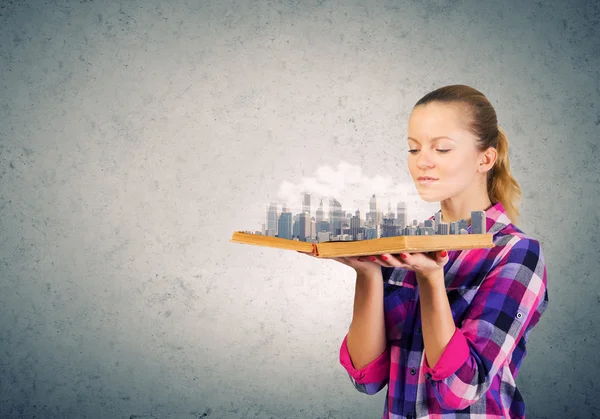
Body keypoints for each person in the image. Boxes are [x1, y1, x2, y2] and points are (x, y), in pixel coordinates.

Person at [302, 85, 549, 418]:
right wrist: (368, 272)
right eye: (413, 149)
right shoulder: (405, 244)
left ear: (485, 158)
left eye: (442, 149)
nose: (423, 162)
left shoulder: (516, 254)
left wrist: (432, 278)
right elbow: (367, 378)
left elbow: (462, 388)